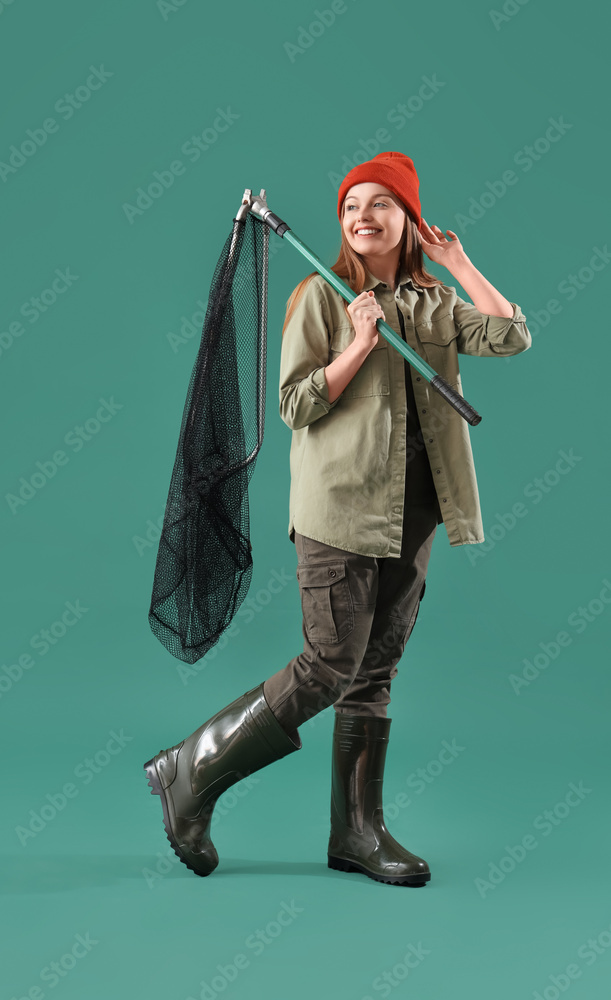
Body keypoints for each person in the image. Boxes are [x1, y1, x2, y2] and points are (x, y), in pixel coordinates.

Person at [143, 151, 532, 887]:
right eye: (351, 205)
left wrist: (458, 263)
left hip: (412, 513)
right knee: (328, 664)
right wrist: (357, 344)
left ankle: (356, 833)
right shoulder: (318, 298)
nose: (361, 216)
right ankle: (189, 770)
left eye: (381, 204)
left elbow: (510, 334)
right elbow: (295, 406)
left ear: (407, 219)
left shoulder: (429, 303)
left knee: (374, 672)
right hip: (340, 512)